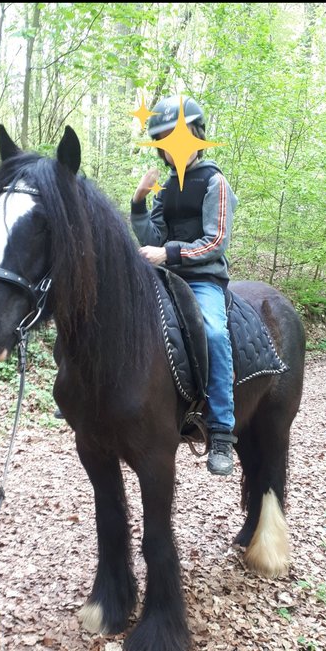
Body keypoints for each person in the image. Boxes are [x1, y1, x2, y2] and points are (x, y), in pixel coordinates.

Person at [131, 95, 239, 475]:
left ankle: (222, 429)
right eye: (165, 141)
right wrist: (139, 204)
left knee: (214, 333)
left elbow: (216, 241)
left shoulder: (215, 182)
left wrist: (168, 253)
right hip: (166, 275)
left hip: (203, 278)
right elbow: (154, 236)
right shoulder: (166, 188)